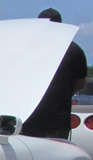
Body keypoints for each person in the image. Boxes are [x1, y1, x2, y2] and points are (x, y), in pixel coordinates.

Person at [22, 8, 87, 139]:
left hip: (33, 117)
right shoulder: (74, 50)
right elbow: (80, 83)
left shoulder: (26, 47)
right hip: (52, 119)